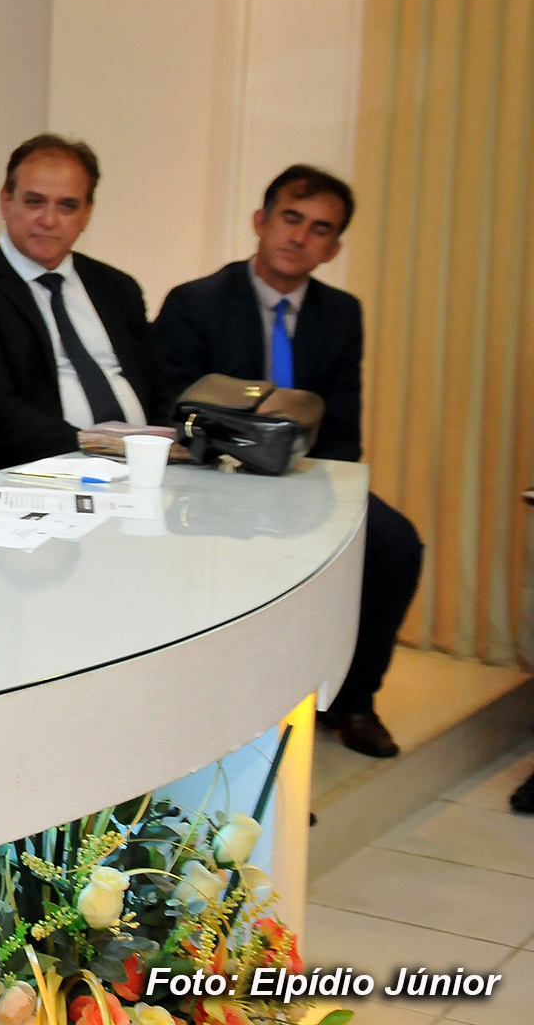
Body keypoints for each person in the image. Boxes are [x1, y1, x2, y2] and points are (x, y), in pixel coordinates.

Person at [156, 164, 422, 759]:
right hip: (214, 482)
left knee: (395, 543)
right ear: (261, 220)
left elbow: (343, 427)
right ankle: (239, 710)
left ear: (333, 249)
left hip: (308, 476)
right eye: (290, 219)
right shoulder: (196, 302)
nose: (299, 237)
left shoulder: (341, 314)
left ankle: (353, 701)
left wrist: (314, 493)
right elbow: (176, 414)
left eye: (319, 229)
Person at [0, 134, 172, 472]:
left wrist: (162, 450)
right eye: (35, 202)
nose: (49, 220)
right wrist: (100, 451)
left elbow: (160, 390)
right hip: (37, 471)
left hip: (145, 468)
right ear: (6, 202)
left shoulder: (117, 288)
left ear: (87, 213)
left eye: (67, 206)